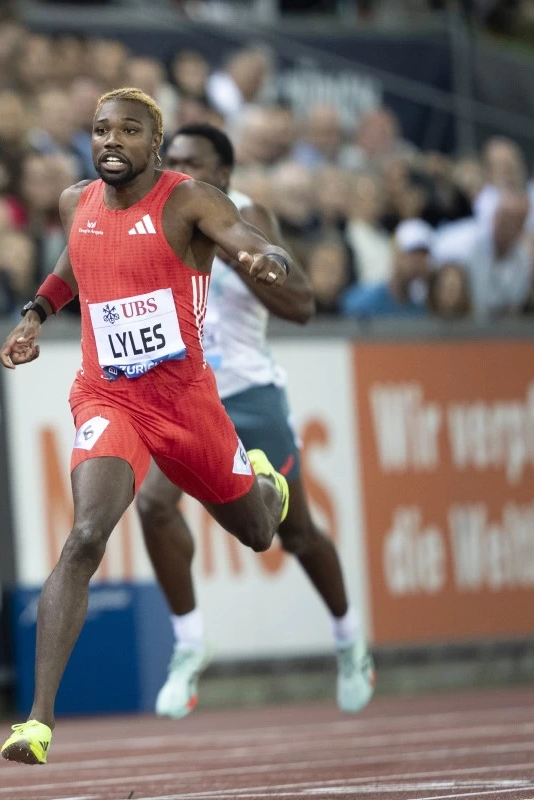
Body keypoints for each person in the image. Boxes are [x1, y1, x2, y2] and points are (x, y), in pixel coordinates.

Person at [0, 88, 294, 765]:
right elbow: (72, 264)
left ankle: (267, 485)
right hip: (109, 398)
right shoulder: (78, 202)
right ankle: (37, 722)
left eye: (129, 131)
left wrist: (259, 258)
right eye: (102, 129)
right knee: (85, 537)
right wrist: (35, 315)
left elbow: (241, 237)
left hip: (189, 405)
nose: (112, 140)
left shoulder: (189, 200)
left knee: (257, 531)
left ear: (153, 147)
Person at [134, 123, 374, 721]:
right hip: (186, 398)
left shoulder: (247, 213)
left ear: (224, 175)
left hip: (247, 394)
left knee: (295, 535)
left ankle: (349, 641)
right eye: (173, 162)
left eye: (195, 164)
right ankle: (189, 646)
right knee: (153, 504)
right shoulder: (149, 217)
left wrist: (230, 247)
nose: (179, 173)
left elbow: (301, 306)